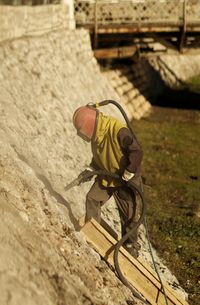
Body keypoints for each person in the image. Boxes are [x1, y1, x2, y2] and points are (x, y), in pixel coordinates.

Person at [73, 104, 143, 257]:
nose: (83, 136)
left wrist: (130, 171)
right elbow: (100, 155)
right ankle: (93, 231)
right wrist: (92, 169)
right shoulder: (97, 137)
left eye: (82, 132)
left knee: (130, 215)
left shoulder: (118, 130)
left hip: (126, 179)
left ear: (89, 127)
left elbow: (137, 151)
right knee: (92, 198)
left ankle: (130, 245)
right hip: (108, 176)